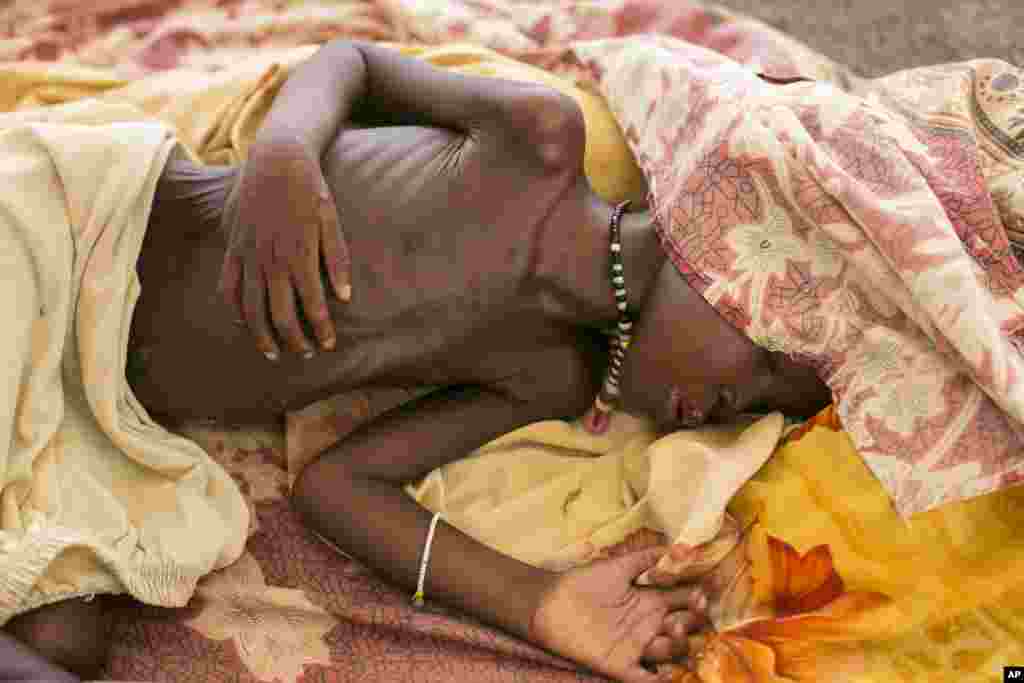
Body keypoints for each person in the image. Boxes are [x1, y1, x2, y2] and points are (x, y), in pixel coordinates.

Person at [2, 40, 830, 682]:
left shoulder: (546, 373)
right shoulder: (537, 142)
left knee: (59, 640)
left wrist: (544, 605)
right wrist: (286, 155)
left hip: (99, 404)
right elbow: (351, 62)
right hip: (67, 242)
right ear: (729, 246)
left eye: (759, 407)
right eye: (761, 364)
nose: (736, 403)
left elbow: (337, 485)